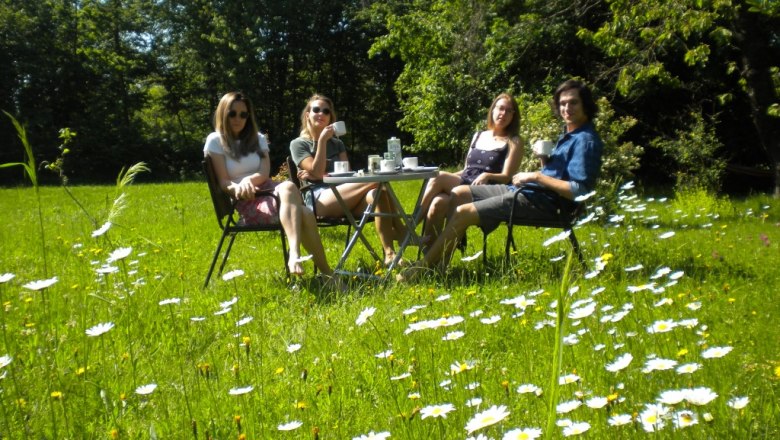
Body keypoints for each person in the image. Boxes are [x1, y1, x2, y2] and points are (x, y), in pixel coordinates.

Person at [400, 79, 603, 278]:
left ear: (586, 104)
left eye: (573, 102)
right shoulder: (569, 135)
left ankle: (421, 268)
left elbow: (579, 190)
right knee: (459, 192)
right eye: (562, 103)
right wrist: (544, 163)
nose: (567, 108)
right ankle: (441, 266)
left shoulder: (585, 141)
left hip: (542, 202)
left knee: (463, 212)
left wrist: (535, 176)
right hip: (528, 192)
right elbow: (557, 176)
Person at [204, 92, 336, 279]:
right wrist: (239, 187)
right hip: (246, 199)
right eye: (232, 113)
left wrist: (247, 180)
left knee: (289, 186)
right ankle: (327, 274)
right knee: (304, 212)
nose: (238, 119)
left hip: (269, 190)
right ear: (223, 113)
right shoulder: (215, 140)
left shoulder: (257, 138)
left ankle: (297, 255)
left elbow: (264, 173)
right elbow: (224, 181)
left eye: (243, 114)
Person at [290, 94, 404, 266]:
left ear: (330, 118)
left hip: (343, 195)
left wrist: (318, 175)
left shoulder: (337, 144)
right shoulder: (299, 144)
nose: (321, 113)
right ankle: (403, 232)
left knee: (378, 192)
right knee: (376, 180)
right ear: (307, 115)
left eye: (326, 111)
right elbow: (318, 170)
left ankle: (389, 254)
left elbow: (345, 175)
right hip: (318, 199)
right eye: (316, 110)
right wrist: (321, 141)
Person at [418, 92, 523, 247]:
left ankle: (410, 228)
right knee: (438, 203)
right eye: (500, 108)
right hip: (465, 181)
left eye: (509, 111)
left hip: (488, 189)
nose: (503, 114)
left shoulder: (514, 141)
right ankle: (430, 260)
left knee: (438, 177)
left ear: (514, 116)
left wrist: (487, 175)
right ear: (492, 110)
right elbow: (467, 169)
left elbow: (507, 176)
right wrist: (445, 180)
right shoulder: (479, 135)